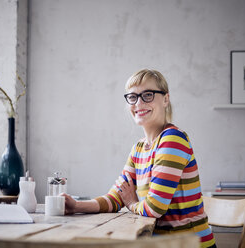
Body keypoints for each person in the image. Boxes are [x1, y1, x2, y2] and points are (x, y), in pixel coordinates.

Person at [62, 69, 216, 248]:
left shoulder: (173, 139)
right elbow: (118, 196)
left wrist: (132, 203)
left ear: (166, 99)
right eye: (133, 97)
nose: (139, 103)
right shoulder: (139, 148)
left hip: (188, 245)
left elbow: (154, 208)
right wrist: (76, 206)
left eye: (148, 95)